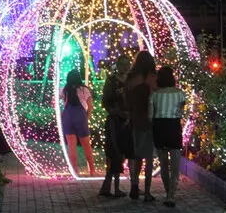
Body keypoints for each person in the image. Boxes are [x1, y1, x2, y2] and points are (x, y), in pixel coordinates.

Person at [149, 66, 187, 207]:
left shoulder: (155, 95)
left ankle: (167, 193)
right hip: (173, 126)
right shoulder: (180, 94)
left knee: (163, 163)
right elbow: (181, 112)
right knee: (175, 162)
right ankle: (172, 195)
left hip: (159, 126)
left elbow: (150, 115)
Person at [124, 50, 158, 201]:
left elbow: (126, 100)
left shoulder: (131, 78)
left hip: (135, 120)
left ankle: (134, 185)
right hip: (150, 121)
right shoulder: (153, 77)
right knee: (149, 158)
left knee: (135, 155)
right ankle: (148, 191)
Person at [99, 55, 131, 197]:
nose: (125, 67)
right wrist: (117, 112)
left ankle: (118, 186)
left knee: (124, 153)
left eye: (127, 64)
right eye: (122, 64)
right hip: (115, 121)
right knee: (114, 153)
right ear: (117, 65)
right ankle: (110, 186)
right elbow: (105, 102)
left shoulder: (131, 81)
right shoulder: (111, 81)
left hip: (129, 121)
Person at [60, 69, 95, 176]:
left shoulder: (64, 90)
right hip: (80, 117)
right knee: (86, 145)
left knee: (71, 145)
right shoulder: (84, 90)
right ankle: (92, 170)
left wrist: (62, 114)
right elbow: (90, 107)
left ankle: (75, 171)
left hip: (68, 117)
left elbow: (54, 103)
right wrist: (86, 118)